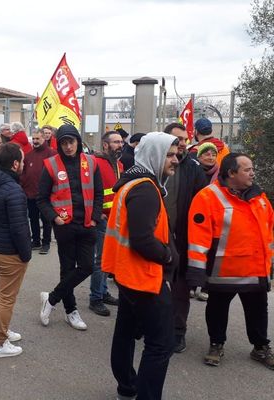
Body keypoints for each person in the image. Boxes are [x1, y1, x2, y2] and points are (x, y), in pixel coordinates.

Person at [102, 131, 180, 400]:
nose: (175, 159)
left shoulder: (133, 184)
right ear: (155, 156)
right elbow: (142, 239)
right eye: (169, 155)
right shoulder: (145, 190)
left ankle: (127, 386)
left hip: (127, 274)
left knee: (125, 332)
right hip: (143, 277)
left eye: (176, 154)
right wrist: (168, 256)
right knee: (160, 345)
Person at [187, 153, 274, 370]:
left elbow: (269, 232)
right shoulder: (207, 197)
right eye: (247, 169)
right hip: (222, 271)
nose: (252, 172)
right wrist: (196, 273)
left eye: (252, 168)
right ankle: (216, 343)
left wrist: (268, 265)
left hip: (255, 270)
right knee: (217, 309)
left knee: (258, 310)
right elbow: (198, 238)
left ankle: (260, 347)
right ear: (231, 173)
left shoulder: (260, 198)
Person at [37, 124, 103, 331]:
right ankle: (71, 311)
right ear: (59, 144)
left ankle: (52, 299)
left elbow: (99, 194)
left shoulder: (91, 163)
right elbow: (42, 199)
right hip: (64, 225)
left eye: (71, 142)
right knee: (67, 270)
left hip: (87, 225)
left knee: (86, 267)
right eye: (64, 143)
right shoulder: (50, 165)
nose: (68, 147)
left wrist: (94, 219)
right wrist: (54, 218)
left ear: (78, 142)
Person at [0, 143, 31, 358]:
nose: (24, 164)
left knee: (0, 292)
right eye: (22, 160)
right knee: (7, 298)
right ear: (14, 164)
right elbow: (20, 228)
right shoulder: (13, 191)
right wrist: (26, 254)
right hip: (9, 251)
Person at [163, 122, 209, 353]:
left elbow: (202, 206)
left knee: (180, 288)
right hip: (157, 237)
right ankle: (153, 324)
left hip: (182, 238)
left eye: (184, 139)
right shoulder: (155, 163)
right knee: (154, 285)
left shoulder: (194, 168)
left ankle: (177, 331)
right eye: (177, 138)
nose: (182, 143)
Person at [88, 131, 124, 317]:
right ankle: (95, 298)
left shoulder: (119, 164)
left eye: (121, 142)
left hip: (114, 220)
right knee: (100, 260)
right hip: (102, 220)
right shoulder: (95, 163)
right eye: (116, 142)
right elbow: (89, 191)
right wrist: (97, 213)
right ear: (105, 145)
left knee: (108, 259)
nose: (120, 145)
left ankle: (102, 291)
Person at [20, 129, 56, 255]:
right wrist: (23, 186)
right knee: (33, 218)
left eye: (37, 139)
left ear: (44, 139)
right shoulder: (29, 155)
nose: (35, 141)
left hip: (46, 195)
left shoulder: (52, 154)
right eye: (33, 139)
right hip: (30, 193)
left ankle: (46, 243)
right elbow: (24, 173)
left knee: (46, 219)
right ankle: (35, 241)